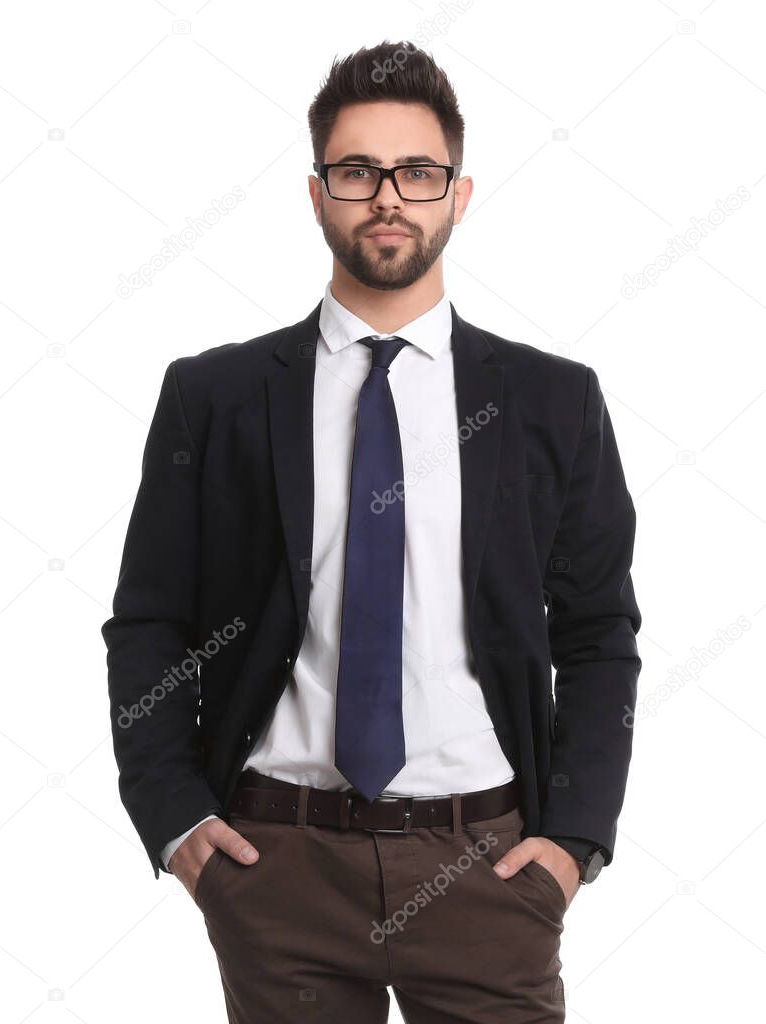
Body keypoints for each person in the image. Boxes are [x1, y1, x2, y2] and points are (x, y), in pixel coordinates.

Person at [101, 39, 641, 1024]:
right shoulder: (215, 396)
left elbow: (599, 635)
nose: (386, 195)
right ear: (318, 195)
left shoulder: (550, 402)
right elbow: (149, 624)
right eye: (356, 171)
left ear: (457, 194)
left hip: (488, 868)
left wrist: (573, 841)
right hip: (277, 865)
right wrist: (173, 813)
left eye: (415, 172)